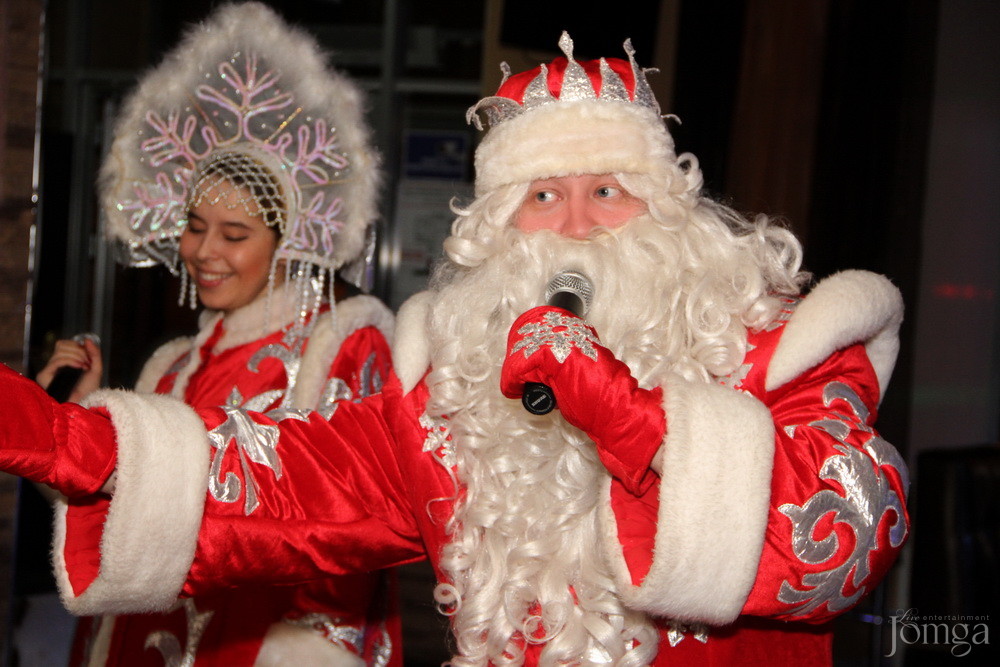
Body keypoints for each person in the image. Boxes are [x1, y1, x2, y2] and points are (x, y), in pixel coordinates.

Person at [2, 32, 909, 665]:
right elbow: (294, 481)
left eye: (607, 189)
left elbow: (848, 540)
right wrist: (67, 440)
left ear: (668, 208)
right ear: (499, 232)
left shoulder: (783, 347)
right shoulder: (455, 395)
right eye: (541, 197)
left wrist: (634, 419)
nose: (576, 224)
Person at [29, 3, 398, 665]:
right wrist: (72, 425)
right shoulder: (171, 367)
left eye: (234, 234)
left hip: (255, 641)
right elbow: (121, 514)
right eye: (195, 227)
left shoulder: (339, 345)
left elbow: (356, 531)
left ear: (287, 245)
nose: (204, 251)